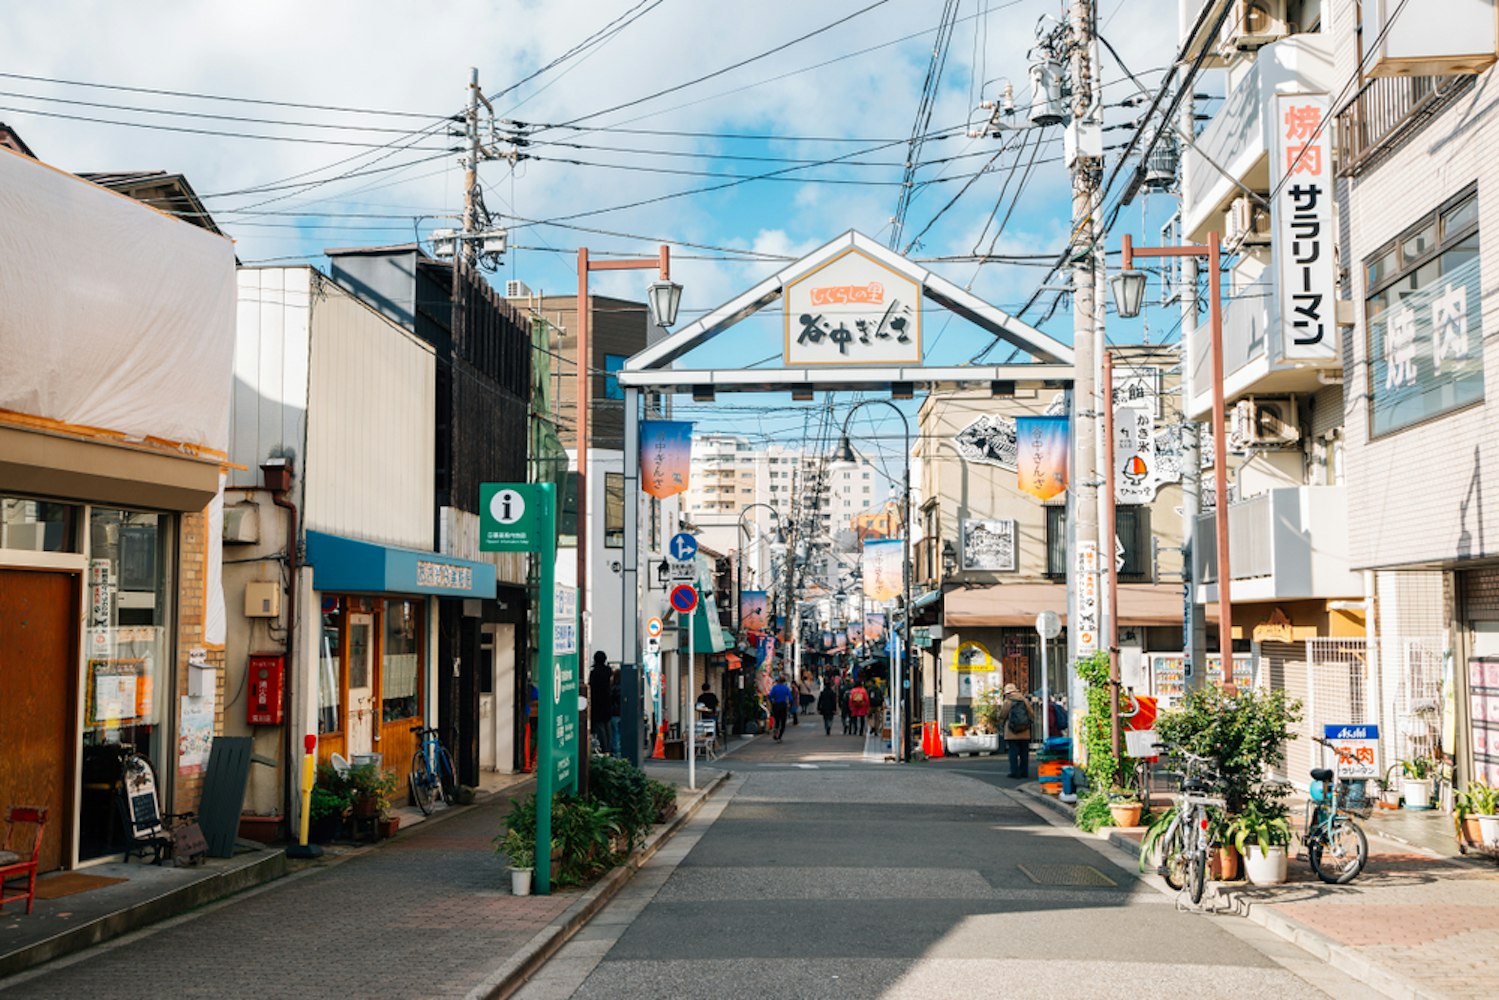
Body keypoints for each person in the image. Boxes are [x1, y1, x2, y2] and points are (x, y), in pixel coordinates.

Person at [1000, 682, 1034, 779]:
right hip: (1025, 731)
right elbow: (1031, 713)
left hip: (1012, 732)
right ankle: (1024, 772)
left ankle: (1014, 772)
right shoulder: (1024, 700)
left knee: (1013, 753)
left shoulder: (1008, 701)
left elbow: (1002, 715)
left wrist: (1002, 723)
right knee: (1024, 753)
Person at [588, 651, 612, 753]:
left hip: (596, 703)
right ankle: (608, 749)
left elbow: (591, 686)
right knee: (607, 727)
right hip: (607, 702)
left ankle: (604, 749)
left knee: (600, 728)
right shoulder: (608, 671)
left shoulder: (594, 672)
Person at [767, 674, 794, 741]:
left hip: (776, 705)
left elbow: (770, 696)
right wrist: (791, 704)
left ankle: (776, 732)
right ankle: (780, 736)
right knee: (783, 722)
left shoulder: (775, 688)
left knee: (777, 720)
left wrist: (772, 702)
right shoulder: (786, 688)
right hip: (783, 705)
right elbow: (790, 698)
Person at [608, 668, 623, 755]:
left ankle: (616, 750)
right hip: (622, 713)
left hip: (614, 713)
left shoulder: (612, 688)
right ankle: (620, 749)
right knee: (620, 732)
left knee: (615, 733)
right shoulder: (625, 688)